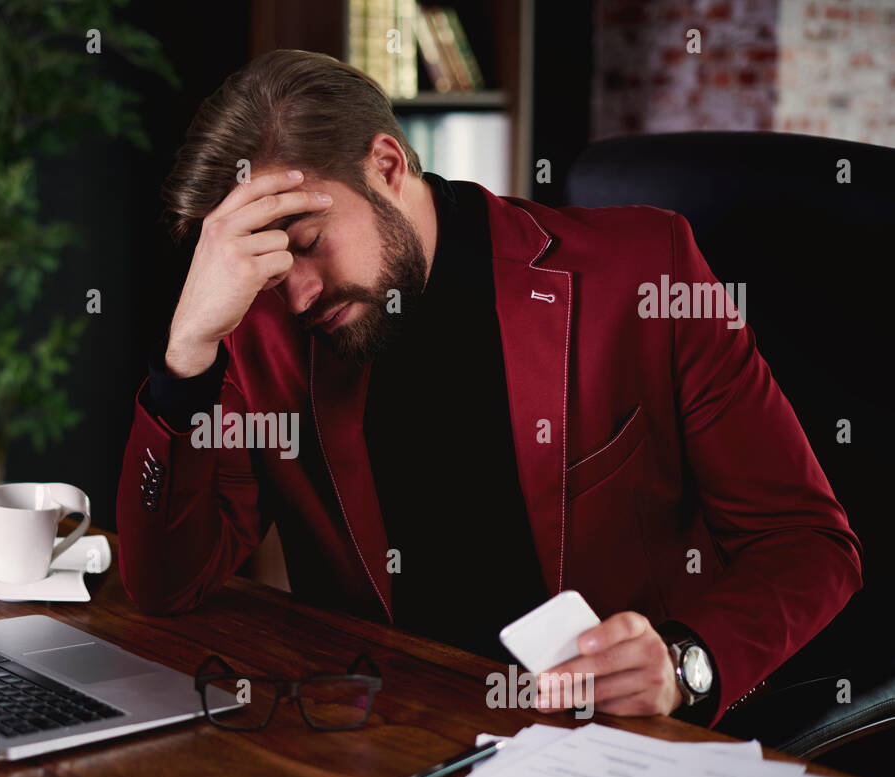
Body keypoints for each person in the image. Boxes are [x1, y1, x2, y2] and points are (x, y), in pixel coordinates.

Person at [116, 50, 861, 728]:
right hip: (385, 744)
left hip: (619, 748)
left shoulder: (642, 273)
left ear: (385, 166)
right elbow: (166, 585)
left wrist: (683, 660)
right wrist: (186, 355)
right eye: (274, 266)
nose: (300, 293)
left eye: (309, 243)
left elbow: (807, 542)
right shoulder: (261, 331)